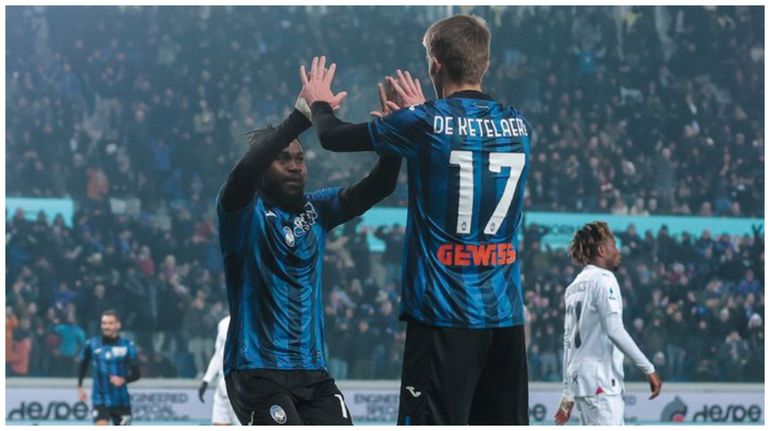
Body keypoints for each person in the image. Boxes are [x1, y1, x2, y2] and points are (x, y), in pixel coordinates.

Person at [301, 14, 532, 425]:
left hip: (445, 317)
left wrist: (317, 102)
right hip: (506, 321)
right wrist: (423, 111)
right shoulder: (518, 124)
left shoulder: (423, 125)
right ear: (486, 64)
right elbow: (462, 141)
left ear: (435, 64)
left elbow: (331, 136)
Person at [217, 60, 403, 425]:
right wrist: (301, 116)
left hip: (314, 372)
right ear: (262, 168)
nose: (295, 166)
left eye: (300, 159)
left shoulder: (317, 209)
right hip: (257, 371)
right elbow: (242, 174)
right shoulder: (241, 215)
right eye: (282, 158)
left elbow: (379, 186)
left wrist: (392, 141)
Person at [554, 221, 662, 426]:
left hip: (582, 383)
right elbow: (614, 330)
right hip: (601, 383)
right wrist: (648, 368)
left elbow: (568, 342)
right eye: (613, 246)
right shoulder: (604, 279)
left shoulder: (574, 287)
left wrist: (568, 392)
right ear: (602, 250)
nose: (617, 251)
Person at [77, 310, 140, 426]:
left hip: (122, 401)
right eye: (104, 323)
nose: (106, 326)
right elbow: (83, 364)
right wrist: (80, 386)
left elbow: (137, 374)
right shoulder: (91, 344)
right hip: (99, 399)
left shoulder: (127, 346)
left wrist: (123, 380)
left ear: (118, 325)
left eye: (110, 323)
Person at [198, 315, 238, 425]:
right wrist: (206, 380)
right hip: (222, 387)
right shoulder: (223, 323)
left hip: (243, 389)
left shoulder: (254, 322)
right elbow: (218, 355)